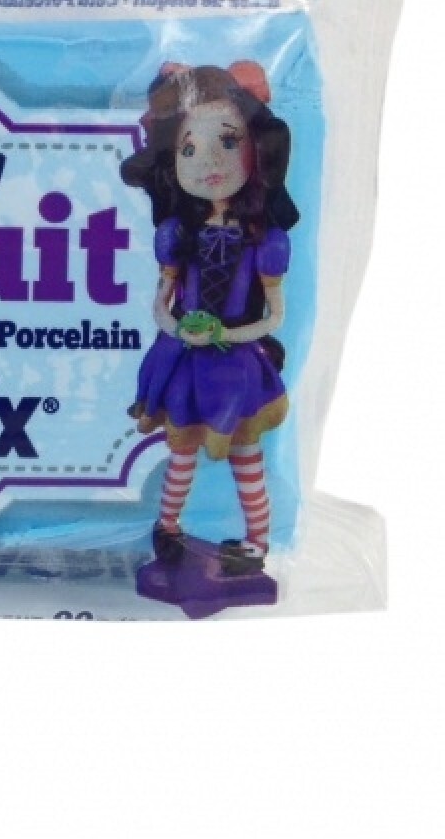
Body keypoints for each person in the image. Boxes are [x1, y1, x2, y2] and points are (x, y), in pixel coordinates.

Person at [120, 61, 299, 575]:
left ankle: (257, 544)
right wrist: (180, 329)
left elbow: (275, 317)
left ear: (257, 148)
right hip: (186, 361)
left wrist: (226, 333)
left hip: (237, 366)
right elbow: (161, 303)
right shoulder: (177, 233)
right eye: (188, 149)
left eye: (227, 141)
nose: (209, 162)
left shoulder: (266, 241)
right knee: (180, 454)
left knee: (247, 455)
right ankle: (168, 530)